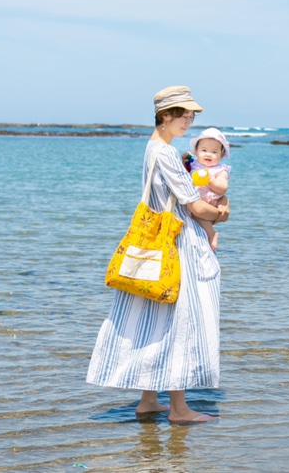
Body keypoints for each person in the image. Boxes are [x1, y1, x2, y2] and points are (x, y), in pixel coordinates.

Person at [86, 85, 229, 424]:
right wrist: (222, 214)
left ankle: (149, 401)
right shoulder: (166, 153)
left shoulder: (154, 149)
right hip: (178, 246)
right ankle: (179, 410)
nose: (190, 120)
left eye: (192, 114)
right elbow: (194, 205)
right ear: (166, 116)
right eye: (185, 114)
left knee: (156, 320)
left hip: (162, 245)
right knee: (181, 322)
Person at [186, 128, 231, 251]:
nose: (208, 154)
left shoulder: (220, 170)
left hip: (208, 200)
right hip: (195, 197)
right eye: (204, 150)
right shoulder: (194, 163)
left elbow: (223, 188)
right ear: (196, 151)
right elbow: (185, 167)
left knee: (199, 214)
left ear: (221, 155)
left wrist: (211, 180)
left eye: (214, 152)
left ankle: (211, 234)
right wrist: (185, 158)